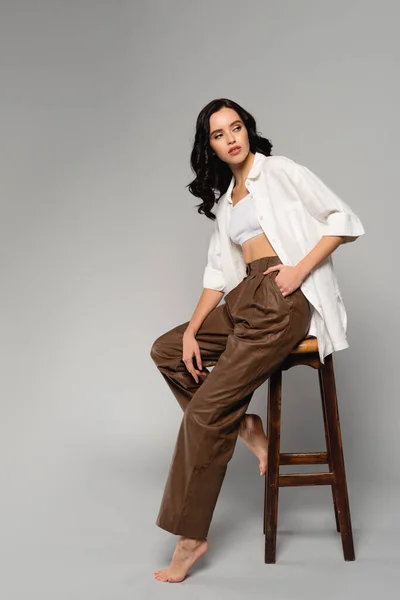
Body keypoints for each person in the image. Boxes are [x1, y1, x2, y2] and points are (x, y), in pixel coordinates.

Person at [150, 98, 365, 583]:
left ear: (249, 130)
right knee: (167, 352)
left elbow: (342, 218)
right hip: (243, 294)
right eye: (220, 134)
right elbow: (214, 273)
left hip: (281, 297)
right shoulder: (227, 201)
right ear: (210, 147)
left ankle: (190, 537)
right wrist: (190, 329)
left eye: (237, 127)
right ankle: (246, 426)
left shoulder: (281, 171)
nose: (232, 137)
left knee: (206, 412)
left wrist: (299, 270)